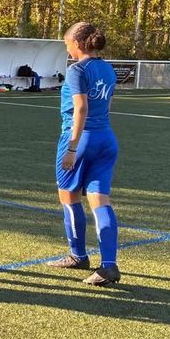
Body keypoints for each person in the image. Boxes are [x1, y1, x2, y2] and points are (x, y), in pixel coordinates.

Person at [46, 22, 122, 286]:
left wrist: (71, 147)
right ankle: (109, 266)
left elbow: (80, 109)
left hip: (81, 140)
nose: (66, 47)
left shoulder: (77, 70)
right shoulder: (108, 69)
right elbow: (107, 106)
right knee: (101, 202)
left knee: (68, 197)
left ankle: (78, 255)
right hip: (106, 138)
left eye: (67, 42)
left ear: (77, 44)